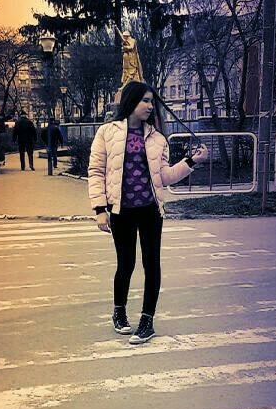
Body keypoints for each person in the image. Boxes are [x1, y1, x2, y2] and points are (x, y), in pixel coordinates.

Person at [88, 80, 208, 344]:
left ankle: (147, 320)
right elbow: (96, 172)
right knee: (126, 264)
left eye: (152, 101)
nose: (150, 106)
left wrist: (191, 161)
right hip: (121, 211)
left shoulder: (157, 138)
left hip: (150, 211)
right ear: (131, 101)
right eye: (145, 100)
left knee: (152, 264)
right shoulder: (106, 132)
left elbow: (164, 177)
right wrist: (99, 209)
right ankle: (119, 312)